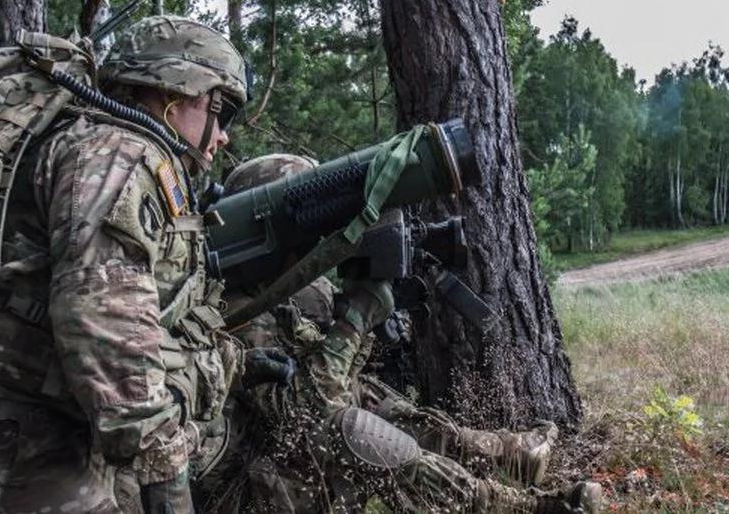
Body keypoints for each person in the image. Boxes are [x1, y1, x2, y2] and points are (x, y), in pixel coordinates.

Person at [0, 16, 248, 513]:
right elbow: (106, 324)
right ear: (177, 91)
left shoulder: (87, 142)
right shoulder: (118, 154)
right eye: (220, 109)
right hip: (8, 447)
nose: (223, 135)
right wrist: (166, 475)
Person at [202, 154, 605, 514]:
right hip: (251, 491)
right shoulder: (234, 311)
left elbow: (341, 384)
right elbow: (309, 406)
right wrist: (357, 316)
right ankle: (516, 506)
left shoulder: (279, 294)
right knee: (353, 429)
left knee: (373, 401)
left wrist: (364, 310)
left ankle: (507, 456)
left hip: (287, 468)